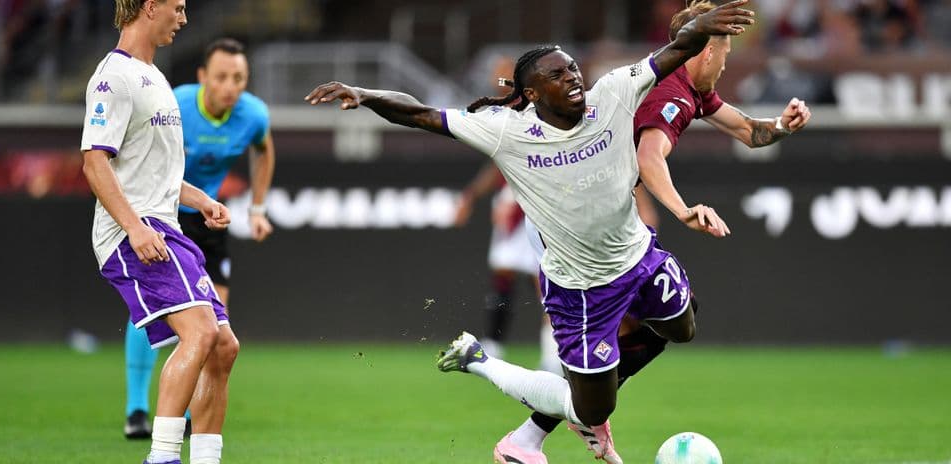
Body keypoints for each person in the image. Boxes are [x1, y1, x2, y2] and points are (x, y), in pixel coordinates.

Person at [306, 1, 756, 462]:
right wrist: (363, 93)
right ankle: (479, 361)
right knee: (590, 407)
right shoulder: (506, 131)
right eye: (558, 76)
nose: (574, 78)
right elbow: (419, 113)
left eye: (574, 69)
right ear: (534, 93)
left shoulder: (616, 92)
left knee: (683, 326)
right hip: (580, 289)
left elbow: (675, 51)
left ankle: (553, 413)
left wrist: (700, 27)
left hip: (639, 258)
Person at [494, 1, 813, 462]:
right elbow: (649, 156)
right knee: (632, 335)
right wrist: (683, 210)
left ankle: (540, 430)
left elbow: (748, 131)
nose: (724, 67)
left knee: (670, 323)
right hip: (576, 229)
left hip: (602, 219)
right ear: (705, 52)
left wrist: (783, 125)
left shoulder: (692, 89)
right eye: (724, 55)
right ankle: (516, 398)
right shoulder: (670, 93)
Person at [81, 2, 239, 463]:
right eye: (178, 7)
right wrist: (132, 228)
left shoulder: (155, 76)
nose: (184, 18)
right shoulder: (114, 76)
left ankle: (205, 459)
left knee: (224, 346)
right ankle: (163, 456)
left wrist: (203, 200)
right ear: (150, 7)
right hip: (135, 231)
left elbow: (158, 177)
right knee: (200, 332)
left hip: (165, 226)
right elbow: (95, 161)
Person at [123, 36, 274, 440]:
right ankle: (137, 409)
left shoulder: (254, 114)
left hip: (210, 220)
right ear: (203, 76)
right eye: (223, 76)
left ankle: (191, 411)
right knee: (152, 313)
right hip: (166, 216)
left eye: (240, 77)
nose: (232, 86)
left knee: (214, 325)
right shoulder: (176, 106)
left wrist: (257, 209)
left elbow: (264, 149)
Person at [455, 162, 561, 373]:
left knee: (546, 284)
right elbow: (496, 165)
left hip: (538, 207)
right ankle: (493, 346)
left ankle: (553, 355)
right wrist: (471, 195)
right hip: (511, 204)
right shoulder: (506, 137)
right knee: (502, 276)